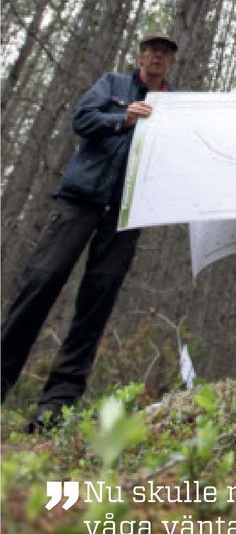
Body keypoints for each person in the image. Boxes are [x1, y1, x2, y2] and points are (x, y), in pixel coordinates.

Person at [1, 33, 178, 431]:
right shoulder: (113, 85)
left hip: (127, 213)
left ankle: (56, 406)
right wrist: (122, 119)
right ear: (139, 56)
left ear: (170, 63)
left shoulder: (176, 105)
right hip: (80, 200)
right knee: (40, 284)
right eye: (150, 50)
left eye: (164, 52)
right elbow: (82, 119)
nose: (156, 56)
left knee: (96, 302)